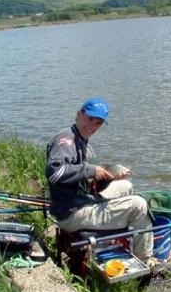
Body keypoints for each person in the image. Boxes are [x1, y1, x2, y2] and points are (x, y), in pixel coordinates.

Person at [45, 97, 155, 265]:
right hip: (71, 213)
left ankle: (129, 238)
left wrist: (108, 178)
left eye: (98, 123)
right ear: (79, 114)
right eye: (90, 119)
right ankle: (146, 261)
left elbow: (87, 186)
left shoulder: (84, 145)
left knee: (126, 186)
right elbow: (54, 173)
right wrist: (91, 170)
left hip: (82, 201)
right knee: (139, 205)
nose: (93, 126)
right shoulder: (66, 140)